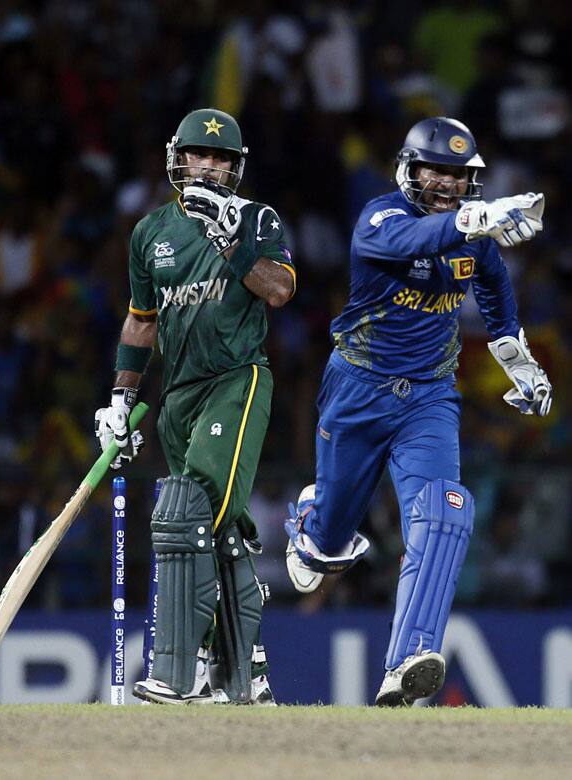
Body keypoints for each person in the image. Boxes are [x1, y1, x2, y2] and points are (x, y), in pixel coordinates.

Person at [284, 117, 551, 707]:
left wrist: (522, 366)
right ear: (409, 170)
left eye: (459, 176)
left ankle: (407, 660)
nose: (448, 183)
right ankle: (311, 525)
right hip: (357, 389)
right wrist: (476, 220)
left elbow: (497, 301)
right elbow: (413, 243)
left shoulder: (473, 240)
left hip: (429, 397)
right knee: (327, 549)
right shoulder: (380, 218)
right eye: (437, 171)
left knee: (445, 511)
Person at [95, 107, 295, 705]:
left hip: (236, 380)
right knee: (221, 529)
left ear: (236, 168)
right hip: (175, 397)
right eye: (198, 154)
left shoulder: (256, 219)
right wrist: (119, 399)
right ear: (176, 158)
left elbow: (280, 290)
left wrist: (227, 239)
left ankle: (183, 671)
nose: (208, 166)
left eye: (221, 158)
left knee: (187, 515)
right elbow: (140, 322)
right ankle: (247, 677)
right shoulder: (150, 232)